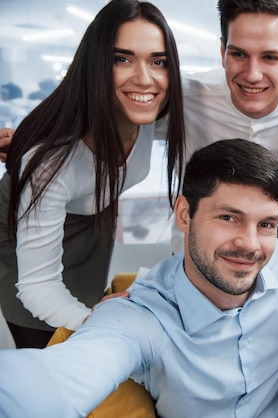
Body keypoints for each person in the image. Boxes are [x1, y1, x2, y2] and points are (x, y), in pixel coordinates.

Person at [0, 139, 278, 417]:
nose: (250, 244)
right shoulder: (139, 316)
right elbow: (61, 379)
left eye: (266, 224)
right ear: (184, 214)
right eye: (228, 217)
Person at [0, 0, 186, 348]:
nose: (144, 78)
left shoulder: (148, 112)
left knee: (88, 304)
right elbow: (38, 287)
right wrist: (103, 324)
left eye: (158, 61)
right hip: (23, 241)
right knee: (49, 343)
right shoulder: (52, 162)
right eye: (122, 59)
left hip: (90, 227)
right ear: (95, 64)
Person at [174, 0, 278, 166]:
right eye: (240, 54)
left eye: (270, 57)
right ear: (223, 53)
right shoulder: (185, 96)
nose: (252, 75)